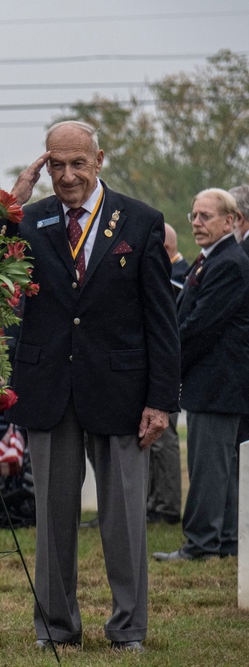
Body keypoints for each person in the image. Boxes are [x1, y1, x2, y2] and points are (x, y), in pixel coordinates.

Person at [4, 120, 180, 653]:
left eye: (77, 163)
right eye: (55, 165)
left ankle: (128, 629)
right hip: (48, 387)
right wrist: (9, 207)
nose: (67, 175)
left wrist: (160, 401)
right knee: (53, 521)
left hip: (122, 392)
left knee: (125, 520)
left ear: (99, 159)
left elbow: (161, 321)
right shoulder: (27, 221)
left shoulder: (141, 221)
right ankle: (57, 628)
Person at [153, 189, 249, 561]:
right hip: (213, 382)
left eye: (206, 216)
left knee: (209, 467)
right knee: (217, 466)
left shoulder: (229, 263)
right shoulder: (212, 259)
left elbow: (199, 326)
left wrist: (166, 361)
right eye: (194, 215)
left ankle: (201, 544)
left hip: (218, 382)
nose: (196, 222)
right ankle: (223, 541)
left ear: (231, 221)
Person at [146, 222, 185, 525]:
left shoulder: (179, 278)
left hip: (171, 370)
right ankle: (155, 501)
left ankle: (167, 506)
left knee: (165, 439)